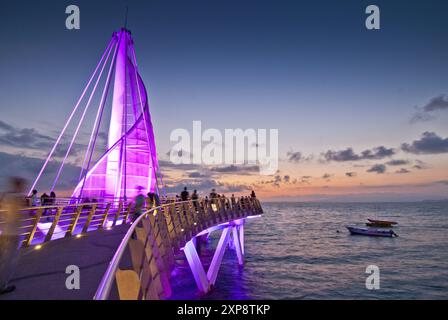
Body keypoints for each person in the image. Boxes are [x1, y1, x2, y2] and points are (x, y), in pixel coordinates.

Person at [0, 177, 26, 295]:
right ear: (19, 185)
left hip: (4, 232)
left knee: (3, 259)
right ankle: (2, 286)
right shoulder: (18, 198)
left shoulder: (6, 196)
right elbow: (19, 214)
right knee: (10, 260)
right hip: (13, 233)